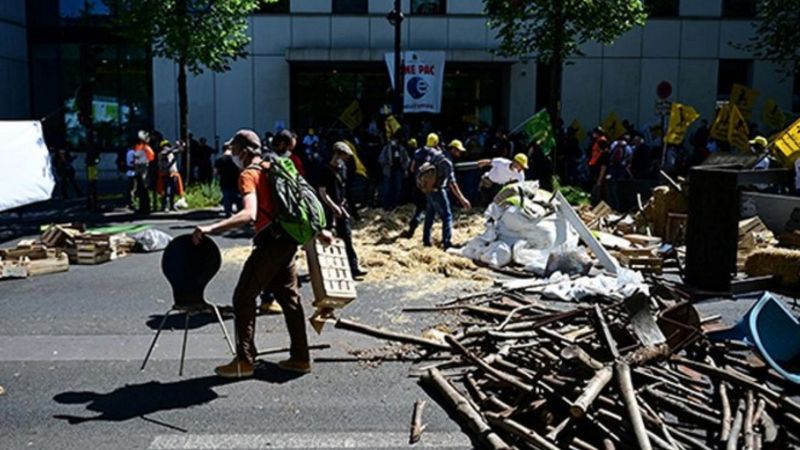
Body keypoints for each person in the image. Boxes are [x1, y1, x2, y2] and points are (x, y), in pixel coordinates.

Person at [192, 129, 333, 378]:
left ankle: (244, 361)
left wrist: (211, 228)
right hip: (288, 241)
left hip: (270, 244)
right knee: (290, 300)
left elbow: (250, 214)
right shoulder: (274, 167)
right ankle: (301, 358)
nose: (232, 154)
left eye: (234, 150)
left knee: (242, 297)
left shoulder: (249, 174)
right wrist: (318, 231)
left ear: (245, 151)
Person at [318, 142, 367, 279]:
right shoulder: (325, 169)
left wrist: (345, 207)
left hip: (342, 207)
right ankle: (328, 268)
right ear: (337, 154)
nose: (346, 159)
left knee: (347, 237)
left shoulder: (343, 168)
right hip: (328, 209)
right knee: (328, 239)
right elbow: (322, 192)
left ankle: (353, 268)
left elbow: (344, 189)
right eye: (344, 156)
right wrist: (333, 207)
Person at [422, 140, 471, 250]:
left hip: (429, 189)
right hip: (439, 190)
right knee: (447, 217)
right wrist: (462, 199)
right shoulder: (447, 163)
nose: (460, 153)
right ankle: (447, 243)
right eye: (458, 151)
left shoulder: (437, 155)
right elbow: (452, 183)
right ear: (453, 149)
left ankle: (426, 240)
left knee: (430, 215)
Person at [404, 133, 440, 238]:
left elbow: (412, 168)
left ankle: (414, 223)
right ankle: (424, 233)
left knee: (419, 207)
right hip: (429, 185)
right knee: (429, 209)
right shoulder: (435, 154)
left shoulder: (418, 152)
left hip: (418, 184)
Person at [378, 133, 410, 210]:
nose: (394, 141)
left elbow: (407, 159)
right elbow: (380, 159)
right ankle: (387, 205)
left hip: (398, 171)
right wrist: (387, 162)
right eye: (392, 139)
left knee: (398, 188)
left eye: (395, 139)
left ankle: (395, 205)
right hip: (388, 171)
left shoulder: (401, 149)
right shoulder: (386, 148)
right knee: (387, 189)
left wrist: (405, 167)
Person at [215, 144, 242, 218]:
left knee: (226, 197)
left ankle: (228, 213)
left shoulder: (219, 159)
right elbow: (241, 169)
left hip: (224, 181)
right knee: (238, 197)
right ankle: (240, 212)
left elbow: (215, 172)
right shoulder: (236, 159)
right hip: (236, 181)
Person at [157, 140, 181, 211]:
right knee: (167, 191)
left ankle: (172, 205)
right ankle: (165, 206)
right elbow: (169, 151)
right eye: (165, 146)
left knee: (173, 190)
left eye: (168, 145)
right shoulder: (161, 153)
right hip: (165, 174)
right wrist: (175, 146)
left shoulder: (171, 153)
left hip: (173, 174)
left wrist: (180, 146)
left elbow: (179, 151)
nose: (167, 147)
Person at [134, 131, 154, 214]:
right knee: (140, 189)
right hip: (139, 170)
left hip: (143, 170)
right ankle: (142, 206)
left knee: (143, 189)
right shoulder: (139, 147)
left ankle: (146, 207)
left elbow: (151, 158)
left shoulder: (146, 148)